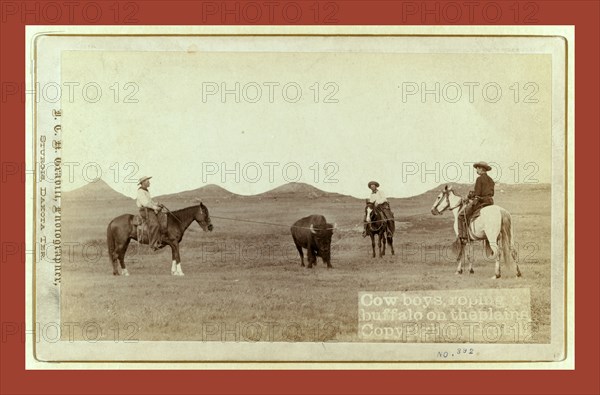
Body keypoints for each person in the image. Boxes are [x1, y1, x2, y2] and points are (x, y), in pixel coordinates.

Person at [457, 162, 495, 241]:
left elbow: (478, 193)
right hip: (490, 201)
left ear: (481, 169)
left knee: (461, 216)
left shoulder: (479, 179)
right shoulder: (491, 180)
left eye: (477, 168)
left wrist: (469, 196)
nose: (476, 170)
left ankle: (463, 237)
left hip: (481, 201)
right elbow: (491, 193)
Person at [136, 176, 164, 250]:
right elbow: (145, 203)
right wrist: (155, 207)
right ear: (143, 183)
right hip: (145, 211)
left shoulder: (146, 191)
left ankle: (160, 240)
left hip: (149, 209)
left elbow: (150, 202)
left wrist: (157, 204)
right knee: (155, 225)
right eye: (148, 182)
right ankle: (153, 244)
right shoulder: (140, 191)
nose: (149, 183)